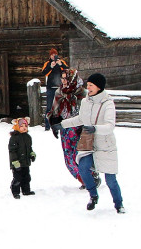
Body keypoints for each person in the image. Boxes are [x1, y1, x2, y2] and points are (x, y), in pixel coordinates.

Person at [51, 73, 125, 213]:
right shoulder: (86, 101)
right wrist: (62, 124)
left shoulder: (108, 103)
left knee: (110, 180)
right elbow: (81, 119)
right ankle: (93, 195)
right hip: (89, 143)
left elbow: (110, 126)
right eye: (88, 84)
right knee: (83, 168)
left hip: (105, 145)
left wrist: (95, 128)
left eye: (91, 85)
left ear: (99, 87)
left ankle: (119, 204)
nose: (88, 87)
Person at [48, 69, 98, 189]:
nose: (63, 81)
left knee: (80, 155)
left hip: (79, 129)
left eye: (66, 78)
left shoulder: (82, 94)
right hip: (65, 128)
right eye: (62, 78)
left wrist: (86, 126)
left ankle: (91, 177)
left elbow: (89, 113)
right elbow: (54, 110)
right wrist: (54, 121)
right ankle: (83, 179)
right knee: (68, 157)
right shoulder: (59, 92)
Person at [40, 48, 69, 130]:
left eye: (55, 54)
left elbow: (67, 71)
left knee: (61, 107)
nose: (53, 56)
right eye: (52, 55)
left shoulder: (61, 62)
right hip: (50, 88)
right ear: (50, 56)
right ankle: (47, 126)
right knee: (49, 107)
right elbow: (44, 73)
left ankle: (60, 124)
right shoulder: (47, 63)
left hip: (60, 88)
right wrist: (50, 66)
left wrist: (61, 65)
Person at [8, 117, 36, 198]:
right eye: (22, 126)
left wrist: (32, 154)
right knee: (18, 178)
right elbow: (12, 151)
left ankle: (26, 190)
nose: (24, 128)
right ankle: (15, 191)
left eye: (26, 126)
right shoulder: (14, 138)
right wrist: (15, 161)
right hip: (17, 162)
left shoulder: (28, 137)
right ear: (17, 127)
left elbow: (29, 148)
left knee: (26, 177)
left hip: (26, 162)